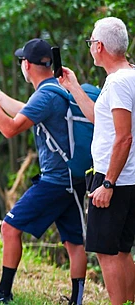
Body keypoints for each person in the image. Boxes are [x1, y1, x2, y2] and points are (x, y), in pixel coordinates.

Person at [0, 38, 87, 305]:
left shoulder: (44, 95)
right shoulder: (57, 89)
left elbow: (10, 128)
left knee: (10, 228)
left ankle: (3, 292)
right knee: (74, 244)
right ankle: (76, 301)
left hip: (55, 181)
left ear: (27, 65)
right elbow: (24, 111)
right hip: (73, 179)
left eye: (22, 61)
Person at [58, 17, 135, 305]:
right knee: (122, 250)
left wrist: (107, 183)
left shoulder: (117, 83)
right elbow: (99, 120)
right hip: (128, 179)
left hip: (114, 179)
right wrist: (73, 86)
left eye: (91, 41)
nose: (91, 46)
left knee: (106, 252)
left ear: (99, 46)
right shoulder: (128, 76)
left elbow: (123, 138)